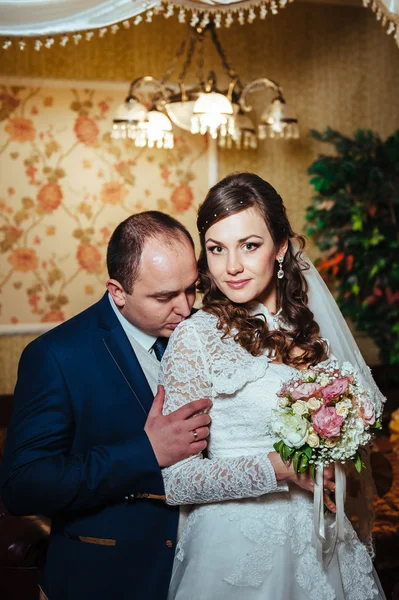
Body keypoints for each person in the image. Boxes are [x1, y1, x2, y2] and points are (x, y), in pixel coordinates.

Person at [160, 173, 387, 600]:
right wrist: (281, 469)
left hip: (320, 540)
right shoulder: (195, 337)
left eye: (250, 245)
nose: (231, 266)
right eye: (216, 248)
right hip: (234, 549)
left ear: (280, 247)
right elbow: (180, 482)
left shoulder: (311, 332)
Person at [0, 211, 213, 600]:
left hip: (207, 567)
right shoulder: (56, 356)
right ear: (118, 291)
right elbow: (23, 486)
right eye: (164, 296)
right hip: (108, 577)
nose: (184, 308)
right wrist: (144, 452)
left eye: (191, 289)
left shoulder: (206, 329)